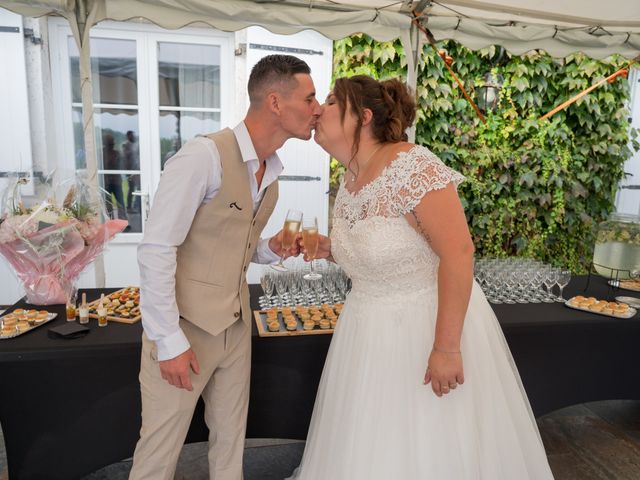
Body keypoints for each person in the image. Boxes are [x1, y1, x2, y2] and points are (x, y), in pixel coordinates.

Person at [290, 76, 554, 479]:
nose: (318, 110)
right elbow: (379, 251)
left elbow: (459, 252)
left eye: (329, 101)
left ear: (362, 117)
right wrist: (329, 248)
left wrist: (446, 349)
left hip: (422, 331)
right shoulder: (349, 180)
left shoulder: (412, 165)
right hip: (364, 336)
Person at [129, 54, 321, 480]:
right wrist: (168, 340)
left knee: (232, 444)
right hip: (186, 327)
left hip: (236, 328)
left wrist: (271, 249)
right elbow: (156, 248)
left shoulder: (272, 173)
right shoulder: (203, 156)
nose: (317, 109)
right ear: (275, 102)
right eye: (309, 99)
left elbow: (237, 248)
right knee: (159, 454)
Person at [122, 130, 140, 212]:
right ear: (128, 136)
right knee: (131, 188)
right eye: (132, 135)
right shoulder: (126, 146)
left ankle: (136, 205)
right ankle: (129, 206)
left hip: (136, 170)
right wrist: (129, 173)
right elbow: (126, 158)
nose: (134, 137)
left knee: (138, 187)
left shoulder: (134, 145)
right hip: (130, 171)